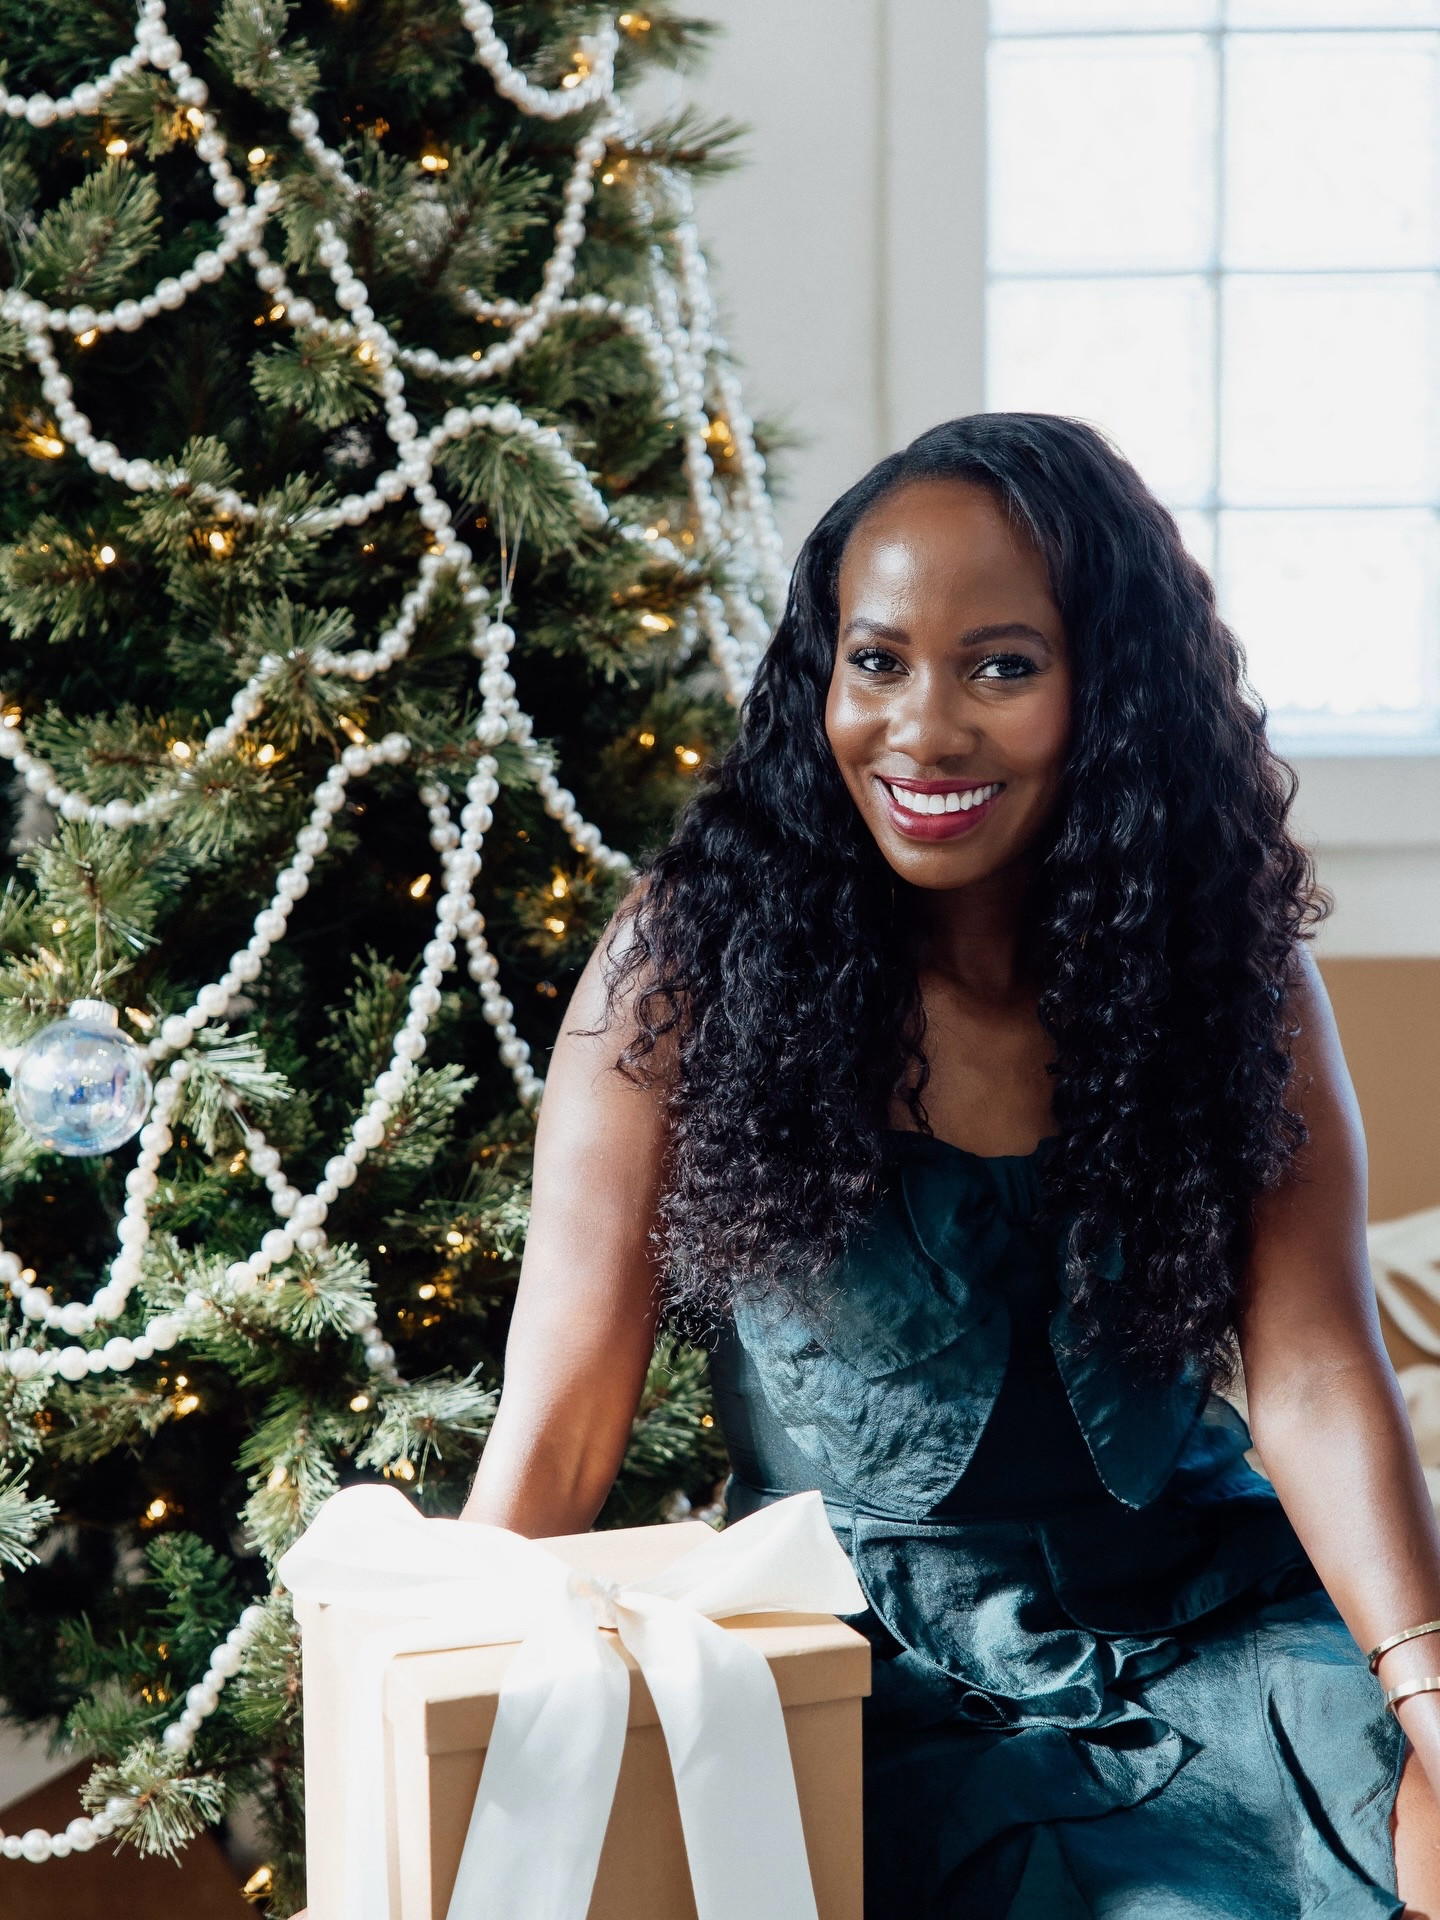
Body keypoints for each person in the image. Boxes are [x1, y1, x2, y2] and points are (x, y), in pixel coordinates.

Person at [463, 414, 1440, 1917]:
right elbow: (564, 1420)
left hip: (1222, 1616)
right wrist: (461, 1733)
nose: (922, 729)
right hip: (877, 1678)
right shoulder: (686, 963)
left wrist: (1429, 1697)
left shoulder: (1224, 964)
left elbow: (1311, 1373)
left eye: (1002, 666)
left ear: (1110, 691)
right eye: (877, 661)